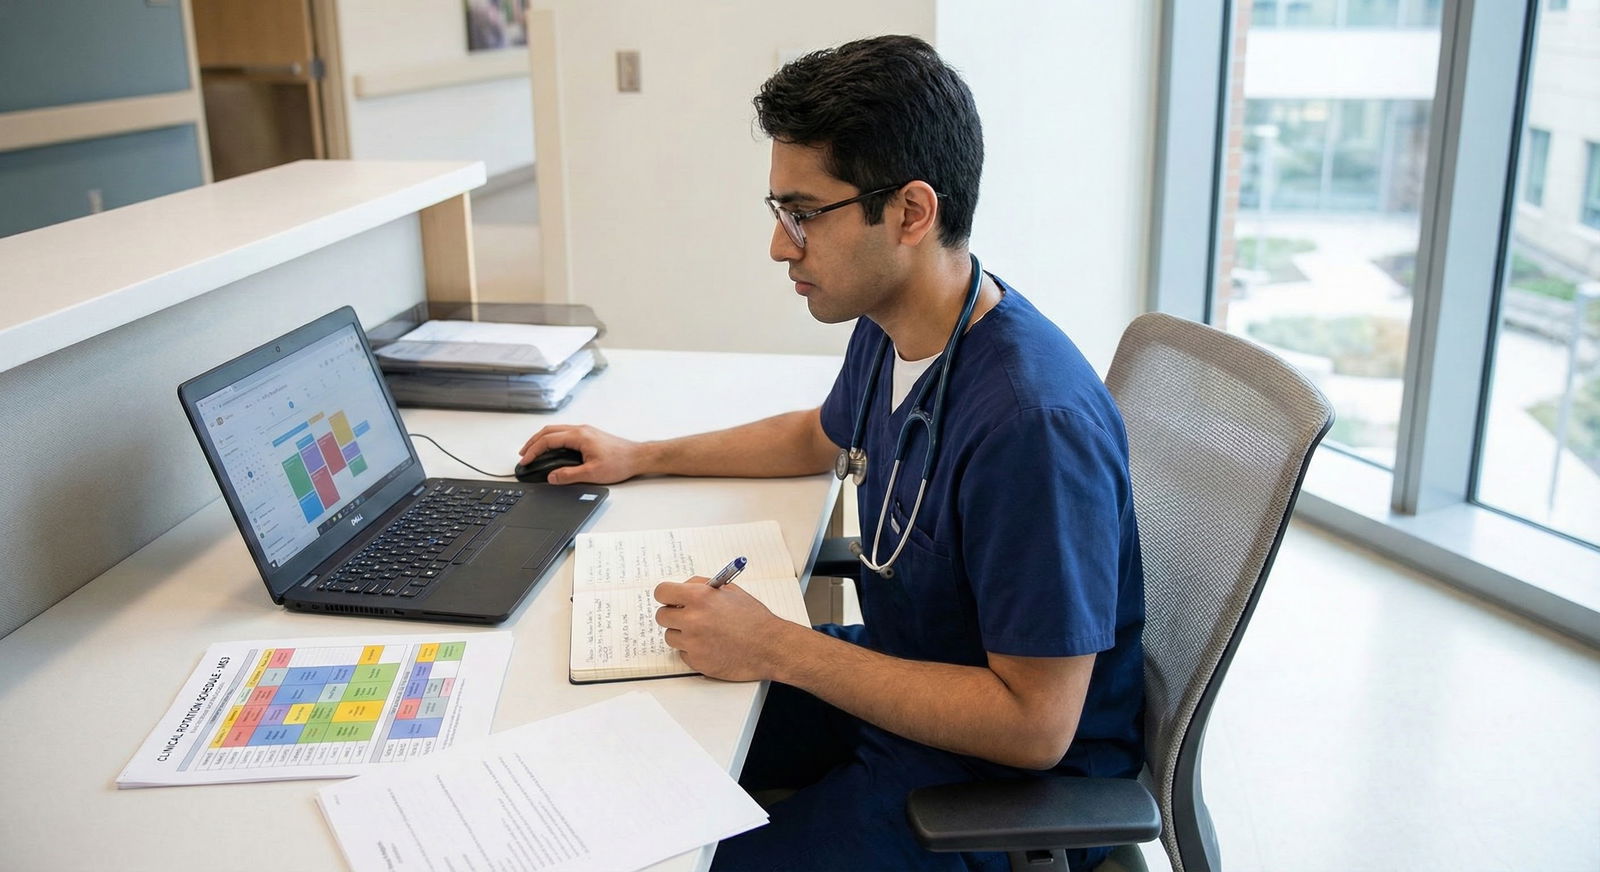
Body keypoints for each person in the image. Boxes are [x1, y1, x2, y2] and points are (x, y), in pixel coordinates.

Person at [518, 34, 1144, 872]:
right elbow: (822, 433)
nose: (782, 246)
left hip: (990, 786)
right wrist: (644, 454)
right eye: (779, 213)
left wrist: (778, 645)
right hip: (901, 689)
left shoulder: (1030, 424)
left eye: (805, 214)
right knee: (630, 736)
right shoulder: (905, 325)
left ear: (912, 213)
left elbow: (1035, 725)